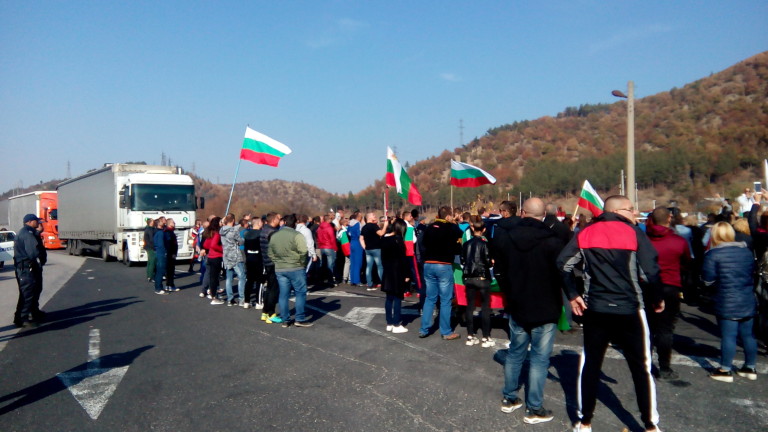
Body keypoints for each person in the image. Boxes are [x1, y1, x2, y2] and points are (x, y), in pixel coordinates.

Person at [558, 195, 663, 432]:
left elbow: (562, 264)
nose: (635, 213)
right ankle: (650, 424)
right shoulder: (634, 233)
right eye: (631, 209)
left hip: (596, 308)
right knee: (641, 367)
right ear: (618, 211)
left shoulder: (586, 232)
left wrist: (573, 294)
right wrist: (657, 298)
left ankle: (585, 421)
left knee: (591, 364)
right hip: (630, 308)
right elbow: (651, 269)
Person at [498, 198, 563, 424]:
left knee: (515, 353)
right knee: (539, 359)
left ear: (523, 213)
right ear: (544, 214)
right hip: (545, 305)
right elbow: (561, 273)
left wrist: (509, 293)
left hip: (518, 302)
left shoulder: (508, 237)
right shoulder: (553, 240)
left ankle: (509, 397)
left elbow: (501, 270)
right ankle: (534, 408)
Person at [702, 222, 758, 382]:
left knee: (729, 336)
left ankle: (725, 370)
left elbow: (708, 280)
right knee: (748, 335)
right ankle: (750, 367)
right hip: (747, 297)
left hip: (726, 299)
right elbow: (752, 273)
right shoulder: (746, 251)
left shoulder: (713, 254)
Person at [646, 207, 691, 380]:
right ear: (669, 218)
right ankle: (664, 367)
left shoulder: (644, 240)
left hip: (647, 285)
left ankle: (646, 365)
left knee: (647, 327)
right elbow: (687, 263)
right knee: (665, 329)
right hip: (670, 286)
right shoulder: (678, 241)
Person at [418, 206, 463, 340]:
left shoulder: (429, 227)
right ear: (448, 216)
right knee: (445, 300)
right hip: (443, 265)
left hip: (428, 264)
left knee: (430, 298)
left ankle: (424, 329)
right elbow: (459, 245)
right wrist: (455, 223)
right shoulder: (451, 228)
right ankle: (446, 331)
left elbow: (422, 244)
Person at [269, 214, 313, 328]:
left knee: (283, 294)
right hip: (295, 267)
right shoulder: (297, 235)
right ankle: (299, 318)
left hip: (280, 268)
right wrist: (302, 263)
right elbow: (303, 251)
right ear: (295, 223)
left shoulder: (275, 235)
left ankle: (285, 319)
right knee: (300, 292)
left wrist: (277, 262)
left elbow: (270, 253)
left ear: (284, 222)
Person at [460, 216, 494, 347]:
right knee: (485, 308)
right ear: (484, 230)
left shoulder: (466, 244)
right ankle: (485, 337)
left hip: (469, 277)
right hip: (482, 277)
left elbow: (463, 260)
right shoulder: (485, 244)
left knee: (470, 306)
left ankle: (470, 335)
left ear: (472, 228)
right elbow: (488, 261)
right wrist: (490, 262)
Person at [13, 214, 47, 328]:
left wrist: (38, 233)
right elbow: (33, 252)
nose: (38, 223)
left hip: (29, 268)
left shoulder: (29, 232)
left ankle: (34, 311)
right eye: (36, 221)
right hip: (26, 268)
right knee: (27, 293)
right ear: (30, 222)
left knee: (35, 290)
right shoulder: (27, 234)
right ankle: (22, 318)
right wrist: (39, 261)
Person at [380, 218, 410, 333]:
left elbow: (383, 258)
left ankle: (389, 323)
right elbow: (403, 259)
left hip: (387, 271)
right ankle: (396, 324)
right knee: (398, 298)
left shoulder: (384, 239)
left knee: (389, 298)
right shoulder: (398, 240)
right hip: (398, 272)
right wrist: (407, 274)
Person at [260, 213, 283, 323]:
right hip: (273, 263)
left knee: (269, 288)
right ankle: (271, 313)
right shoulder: (273, 232)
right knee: (273, 289)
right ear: (274, 220)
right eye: (278, 219)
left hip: (267, 261)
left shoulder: (264, 230)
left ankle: (265, 312)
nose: (280, 221)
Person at [221, 213, 247, 306]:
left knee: (229, 278)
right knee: (242, 277)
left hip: (226, 255)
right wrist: (242, 240)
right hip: (235, 256)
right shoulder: (233, 231)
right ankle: (241, 299)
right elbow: (241, 241)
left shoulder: (222, 230)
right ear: (233, 221)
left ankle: (230, 299)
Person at [361, 212, 387, 290]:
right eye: (373, 215)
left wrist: (365, 247)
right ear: (369, 218)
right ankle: (384, 283)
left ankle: (369, 284)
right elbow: (381, 233)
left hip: (368, 249)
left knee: (369, 267)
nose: (375, 216)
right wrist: (385, 226)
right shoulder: (374, 226)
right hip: (376, 248)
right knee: (380, 266)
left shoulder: (364, 227)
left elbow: (361, 238)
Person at [242, 218, 264, 309]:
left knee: (249, 280)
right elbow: (262, 248)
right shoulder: (261, 234)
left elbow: (245, 248)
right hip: (258, 258)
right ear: (258, 223)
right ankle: (258, 302)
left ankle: (246, 301)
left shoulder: (247, 234)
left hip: (249, 258)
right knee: (259, 280)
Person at [202, 217, 224, 305]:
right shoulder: (217, 234)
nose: (222, 223)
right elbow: (213, 245)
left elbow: (206, 245)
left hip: (210, 257)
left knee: (212, 277)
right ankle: (214, 297)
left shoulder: (211, 233)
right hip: (216, 257)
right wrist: (222, 249)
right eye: (221, 222)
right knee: (215, 278)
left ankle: (212, 294)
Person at [316, 214, 338, 286]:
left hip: (322, 247)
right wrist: (335, 248)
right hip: (329, 247)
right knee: (330, 264)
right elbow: (332, 239)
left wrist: (320, 245)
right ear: (329, 220)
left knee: (323, 264)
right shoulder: (329, 227)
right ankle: (330, 280)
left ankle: (321, 279)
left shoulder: (320, 228)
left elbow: (318, 237)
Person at [152, 218, 170, 295]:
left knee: (159, 271)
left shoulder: (159, 232)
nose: (164, 222)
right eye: (162, 221)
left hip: (159, 253)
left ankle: (159, 287)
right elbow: (160, 244)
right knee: (160, 271)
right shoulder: (160, 233)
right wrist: (165, 252)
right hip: (161, 253)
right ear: (158, 223)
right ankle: (158, 288)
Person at [348, 211, 364, 286]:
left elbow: (348, 233)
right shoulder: (358, 224)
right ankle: (357, 280)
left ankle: (352, 280)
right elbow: (359, 234)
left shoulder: (350, 224)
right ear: (359, 217)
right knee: (358, 263)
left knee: (353, 262)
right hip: (358, 243)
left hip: (352, 242)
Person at [164, 218, 179, 291]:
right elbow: (169, 244)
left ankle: (168, 285)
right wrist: (172, 253)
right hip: (170, 254)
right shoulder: (168, 232)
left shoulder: (170, 232)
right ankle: (170, 285)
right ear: (169, 224)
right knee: (170, 270)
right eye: (173, 222)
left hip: (170, 253)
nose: (174, 223)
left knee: (169, 270)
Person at [143, 217, 156, 283]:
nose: (154, 222)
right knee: (152, 262)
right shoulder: (150, 229)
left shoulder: (147, 229)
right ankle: (151, 276)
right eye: (153, 221)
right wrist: (154, 247)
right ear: (151, 223)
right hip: (151, 247)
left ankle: (149, 275)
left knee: (150, 262)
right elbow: (151, 239)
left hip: (148, 247)